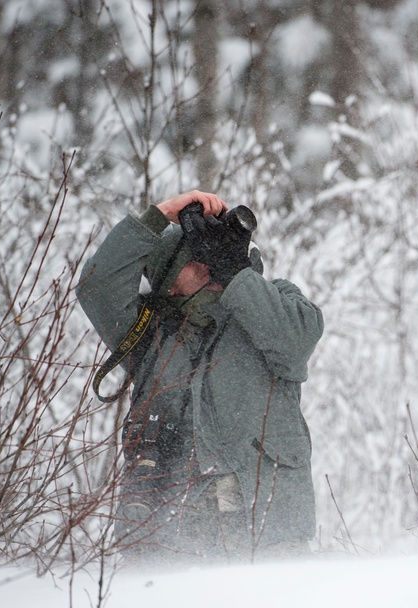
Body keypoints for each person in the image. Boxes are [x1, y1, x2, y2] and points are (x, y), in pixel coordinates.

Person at [76, 190, 323, 563]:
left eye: (213, 255)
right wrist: (158, 216)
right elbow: (97, 287)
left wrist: (236, 273)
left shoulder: (273, 302)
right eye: (196, 261)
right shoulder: (150, 333)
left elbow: (296, 339)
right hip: (171, 537)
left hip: (269, 535)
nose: (209, 266)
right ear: (168, 282)